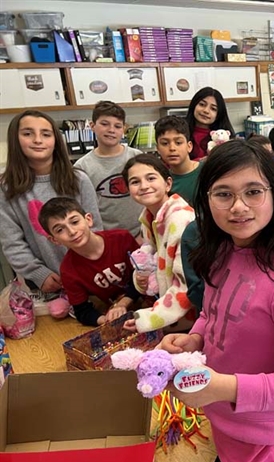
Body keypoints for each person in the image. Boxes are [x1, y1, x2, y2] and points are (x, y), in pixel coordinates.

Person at [158, 140, 274, 462]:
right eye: (223, 194)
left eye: (253, 191)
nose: (238, 207)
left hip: (266, 436)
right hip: (224, 419)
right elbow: (212, 314)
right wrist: (193, 340)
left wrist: (221, 387)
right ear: (205, 200)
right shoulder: (221, 251)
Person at [0, 110, 102, 295]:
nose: (38, 140)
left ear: (56, 140)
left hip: (87, 275)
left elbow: (95, 229)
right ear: (15, 140)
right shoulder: (6, 188)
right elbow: (12, 242)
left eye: (46, 134)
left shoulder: (79, 179)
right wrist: (39, 274)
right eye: (28, 133)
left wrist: (92, 266)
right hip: (45, 284)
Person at [121, 153, 196, 333]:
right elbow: (155, 264)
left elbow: (186, 286)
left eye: (151, 178)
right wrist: (142, 279)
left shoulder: (181, 220)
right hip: (171, 316)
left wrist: (148, 319)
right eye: (135, 181)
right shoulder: (149, 220)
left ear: (168, 184)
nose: (144, 186)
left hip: (192, 322)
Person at [38, 197, 140, 327]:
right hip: (120, 314)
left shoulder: (122, 238)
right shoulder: (68, 270)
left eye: (74, 222)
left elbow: (144, 275)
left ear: (88, 219)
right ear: (54, 240)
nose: (72, 232)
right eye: (60, 230)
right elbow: (82, 311)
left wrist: (123, 303)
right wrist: (106, 320)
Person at [74, 100, 143, 237]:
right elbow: (81, 208)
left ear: (124, 129)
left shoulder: (137, 157)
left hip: (142, 232)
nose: (111, 130)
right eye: (105, 124)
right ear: (92, 126)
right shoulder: (82, 167)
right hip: (105, 236)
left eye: (117, 126)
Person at [155, 115, 202, 206]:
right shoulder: (162, 182)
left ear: (189, 146)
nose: (172, 148)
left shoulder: (207, 170)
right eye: (165, 143)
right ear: (158, 149)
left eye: (178, 143)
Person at [185, 87, 235, 160]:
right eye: (202, 104)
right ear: (194, 105)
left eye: (213, 109)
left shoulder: (222, 137)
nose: (206, 111)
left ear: (219, 114)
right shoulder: (180, 131)